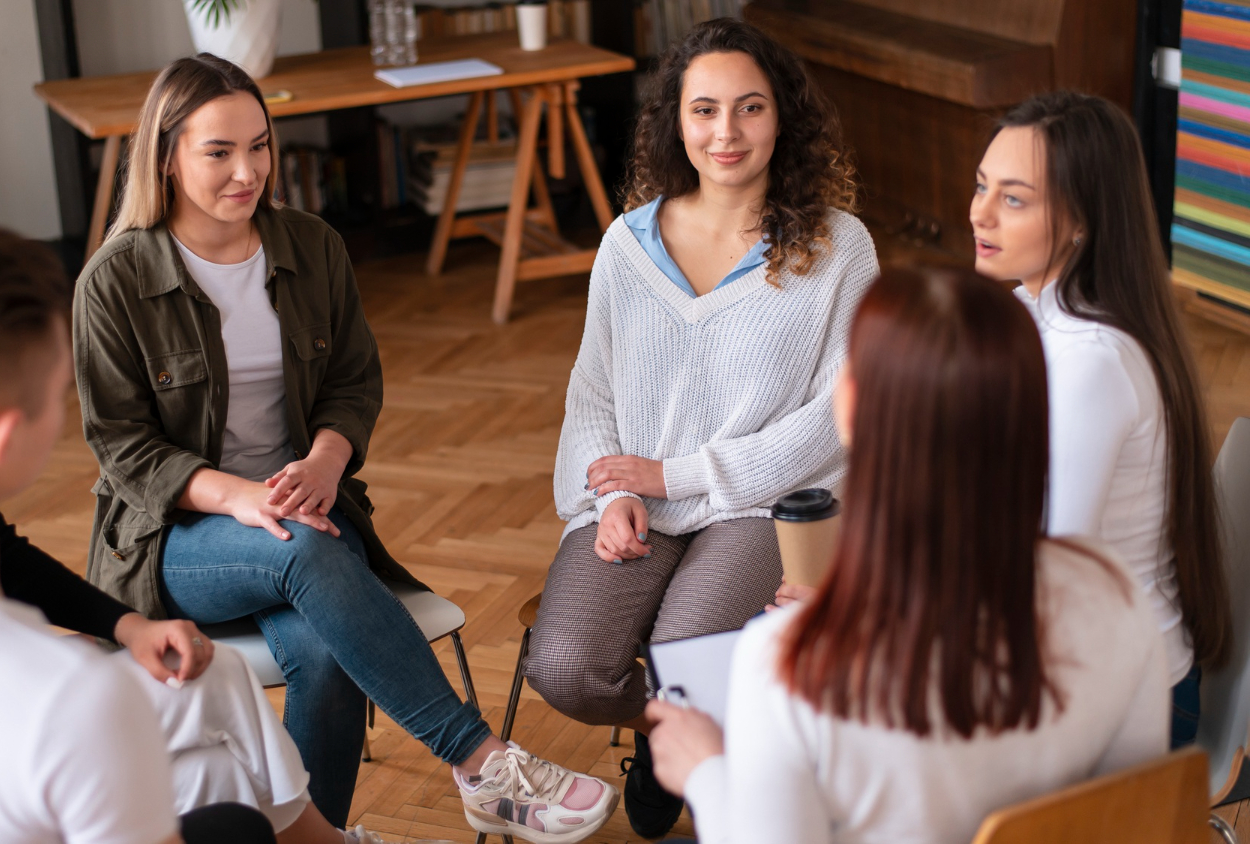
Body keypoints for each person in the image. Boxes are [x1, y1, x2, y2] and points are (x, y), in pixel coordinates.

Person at [74, 53, 617, 843]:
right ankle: (479, 763)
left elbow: (355, 380)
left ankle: (322, 835)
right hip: (177, 540)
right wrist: (241, 497)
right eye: (218, 152)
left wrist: (328, 459)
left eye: (259, 146)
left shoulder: (311, 245)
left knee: (326, 656)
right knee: (302, 547)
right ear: (166, 156)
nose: (247, 171)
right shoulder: (115, 281)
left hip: (307, 517)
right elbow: (123, 448)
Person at [0, 167, 377, 843]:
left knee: (220, 700)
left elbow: (1, 560)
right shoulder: (60, 693)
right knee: (230, 809)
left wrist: (125, 626)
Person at [646, 266, 1170, 844]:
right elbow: (1137, 814)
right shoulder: (1117, 596)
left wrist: (705, 773)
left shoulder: (789, 663)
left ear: (849, 409)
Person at [523, 17, 877, 837]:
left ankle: (693, 747)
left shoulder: (840, 249)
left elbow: (835, 422)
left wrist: (671, 476)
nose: (726, 133)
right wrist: (606, 496)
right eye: (705, 109)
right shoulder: (625, 246)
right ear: (675, 120)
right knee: (567, 666)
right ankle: (683, 735)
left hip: (770, 504)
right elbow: (591, 393)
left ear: (781, 117)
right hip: (634, 499)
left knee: (688, 651)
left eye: (749, 109)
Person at [970, 91, 1230, 747]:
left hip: (1124, 703)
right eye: (982, 185)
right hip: (1073, 667)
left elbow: (1045, 574)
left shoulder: (1091, 362)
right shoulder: (1034, 315)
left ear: (1081, 221)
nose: (981, 213)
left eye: (1014, 198)